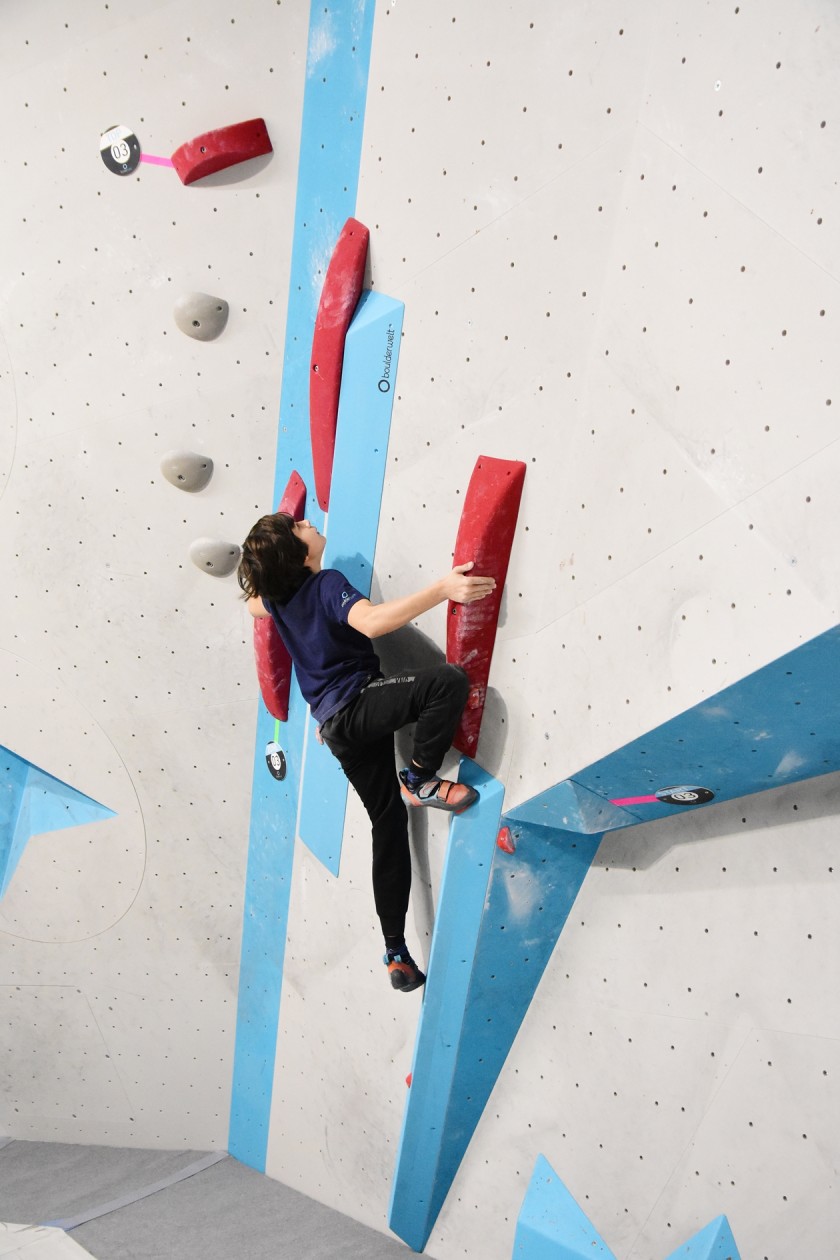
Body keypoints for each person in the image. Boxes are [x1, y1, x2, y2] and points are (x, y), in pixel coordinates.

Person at [238, 512, 495, 994]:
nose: (310, 521)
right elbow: (373, 622)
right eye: (299, 526)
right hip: (358, 706)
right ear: (300, 553)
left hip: (336, 729)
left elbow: (253, 602)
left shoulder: (274, 598)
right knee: (446, 681)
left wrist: (269, 564)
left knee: (387, 821)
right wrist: (443, 589)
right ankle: (419, 777)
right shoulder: (325, 584)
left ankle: (396, 950)